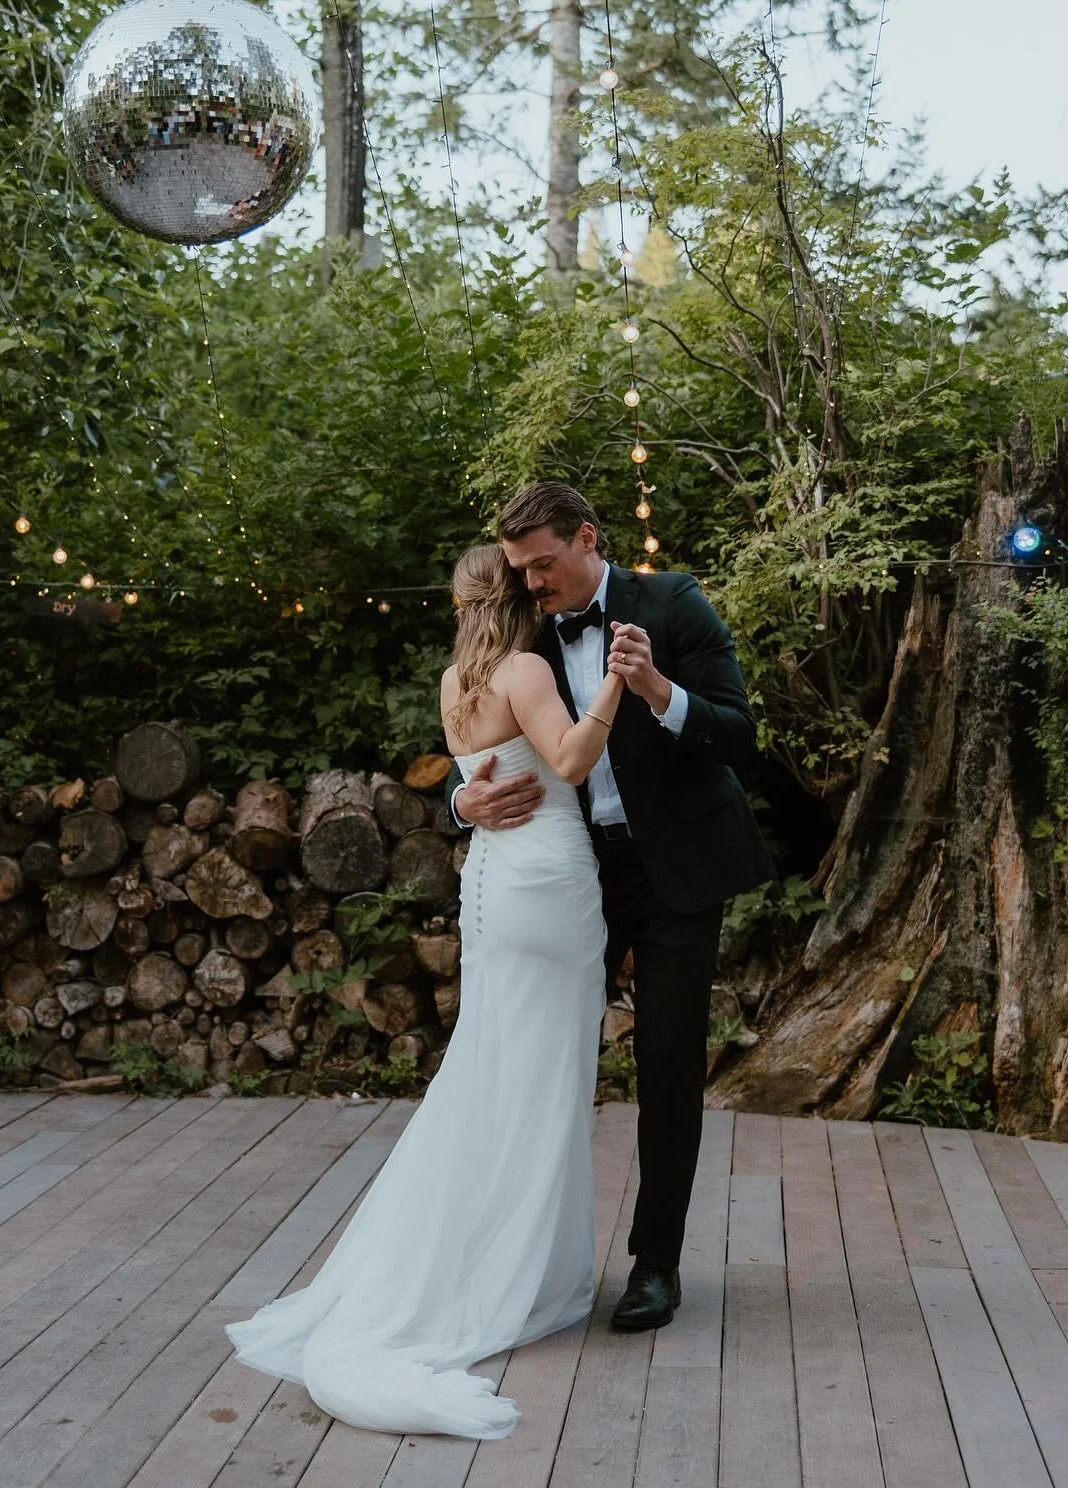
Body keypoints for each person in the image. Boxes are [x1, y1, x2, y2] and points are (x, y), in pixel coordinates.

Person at [224, 539, 629, 1440]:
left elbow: (476, 779)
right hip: (544, 889)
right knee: (539, 1080)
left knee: (489, 1075)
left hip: (489, 886)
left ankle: (494, 1258)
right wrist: (615, 685)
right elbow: (565, 764)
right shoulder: (527, 669)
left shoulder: (456, 681)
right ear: (515, 598)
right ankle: (519, 1275)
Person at [444, 481, 774, 1332]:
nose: (530, 585)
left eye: (543, 565)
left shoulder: (672, 600)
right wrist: (459, 803)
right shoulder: (522, 632)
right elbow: (481, 732)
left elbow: (741, 733)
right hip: (567, 877)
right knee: (535, 1056)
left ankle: (654, 1265)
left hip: (675, 875)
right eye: (518, 570)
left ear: (588, 538)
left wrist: (660, 690)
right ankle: (520, 1255)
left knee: (667, 1066)